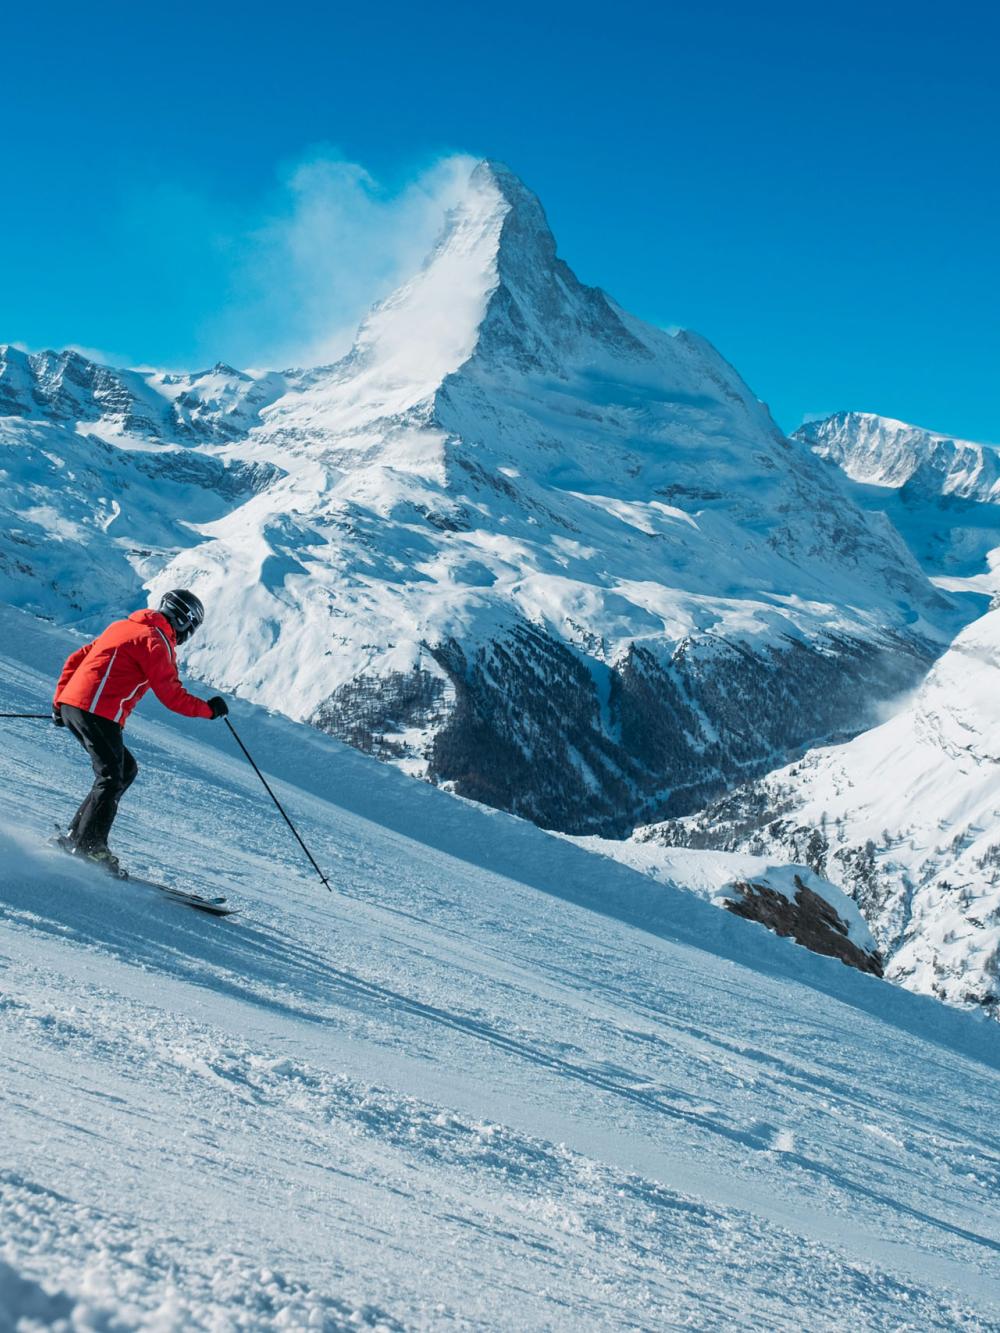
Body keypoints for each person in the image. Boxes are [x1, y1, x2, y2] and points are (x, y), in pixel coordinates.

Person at [52, 589, 228, 875]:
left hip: (78, 707)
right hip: (96, 711)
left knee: (125, 769)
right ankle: (90, 846)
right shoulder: (155, 642)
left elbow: (76, 659)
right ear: (185, 621)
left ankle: (77, 836)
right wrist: (209, 710)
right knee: (111, 776)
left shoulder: (123, 626)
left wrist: (60, 703)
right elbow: (171, 695)